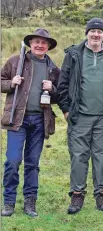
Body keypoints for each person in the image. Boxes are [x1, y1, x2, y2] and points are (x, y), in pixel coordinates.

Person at [57, 17, 103, 214]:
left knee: (102, 157)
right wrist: (67, 110)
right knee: (78, 156)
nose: (96, 34)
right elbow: (63, 84)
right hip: (79, 116)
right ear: (86, 33)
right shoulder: (74, 54)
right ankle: (77, 195)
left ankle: (102, 195)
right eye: (92, 31)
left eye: (99, 31)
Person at [1, 29, 60, 217]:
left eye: (44, 43)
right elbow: (1, 81)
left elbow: (60, 95)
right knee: (13, 161)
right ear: (30, 43)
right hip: (17, 120)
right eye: (36, 42)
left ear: (48, 46)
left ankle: (30, 203)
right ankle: (9, 202)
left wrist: (53, 89)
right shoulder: (15, 61)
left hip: (40, 120)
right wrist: (11, 82)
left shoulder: (53, 68)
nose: (40, 45)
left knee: (33, 163)